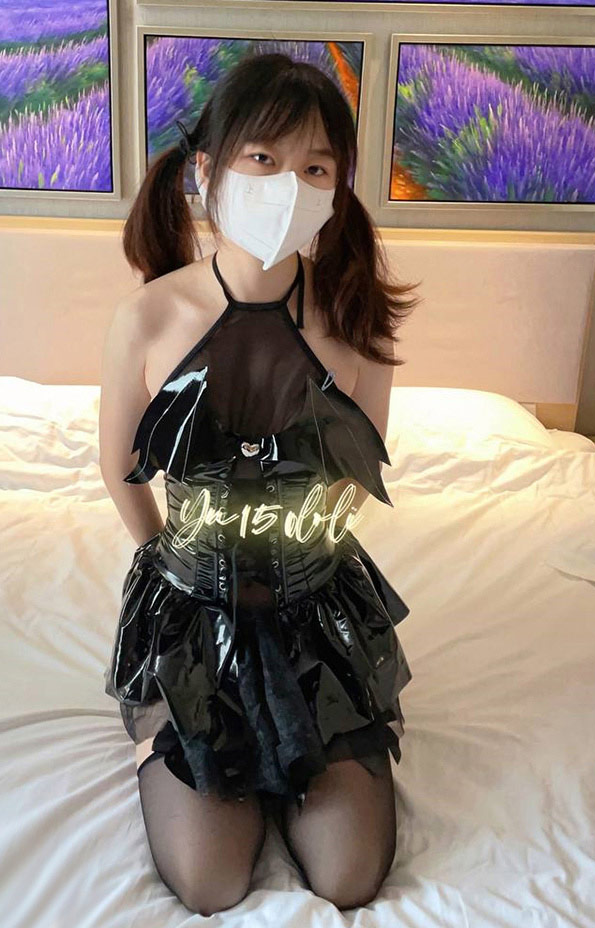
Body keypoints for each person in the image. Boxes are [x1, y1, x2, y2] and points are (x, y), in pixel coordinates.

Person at [100, 50, 420, 915]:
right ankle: (166, 729)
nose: (288, 185)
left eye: (315, 167)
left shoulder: (357, 318)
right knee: (209, 881)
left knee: (349, 875)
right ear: (207, 170)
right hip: (190, 614)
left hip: (318, 615)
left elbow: (359, 472)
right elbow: (118, 465)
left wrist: (302, 553)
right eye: (263, 158)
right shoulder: (150, 314)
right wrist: (167, 571)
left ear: (337, 188)